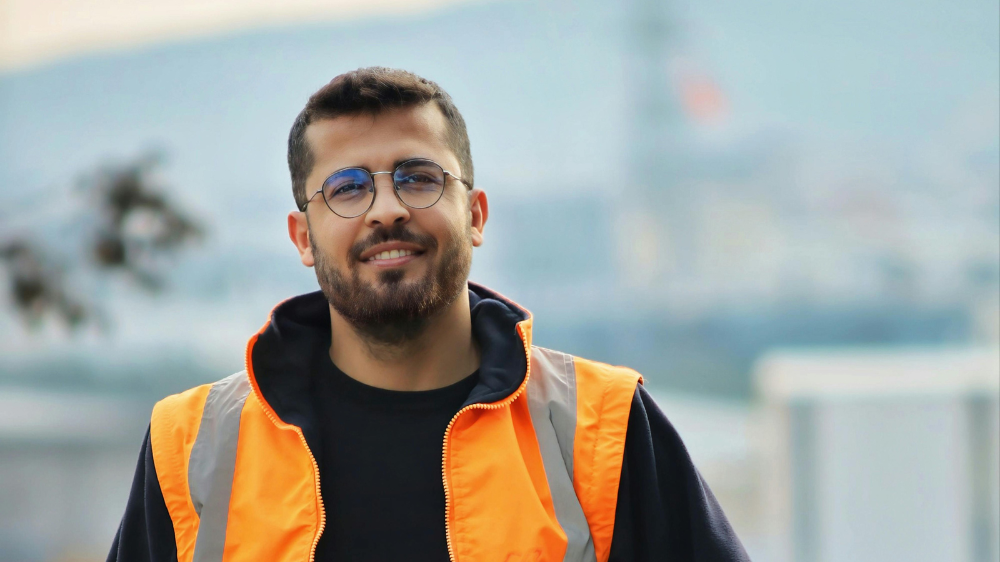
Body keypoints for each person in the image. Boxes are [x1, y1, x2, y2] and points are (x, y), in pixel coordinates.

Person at [108, 67, 750, 562]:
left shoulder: (601, 428)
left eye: (418, 178)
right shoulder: (192, 446)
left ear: (475, 216)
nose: (386, 208)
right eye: (348, 188)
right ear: (302, 237)